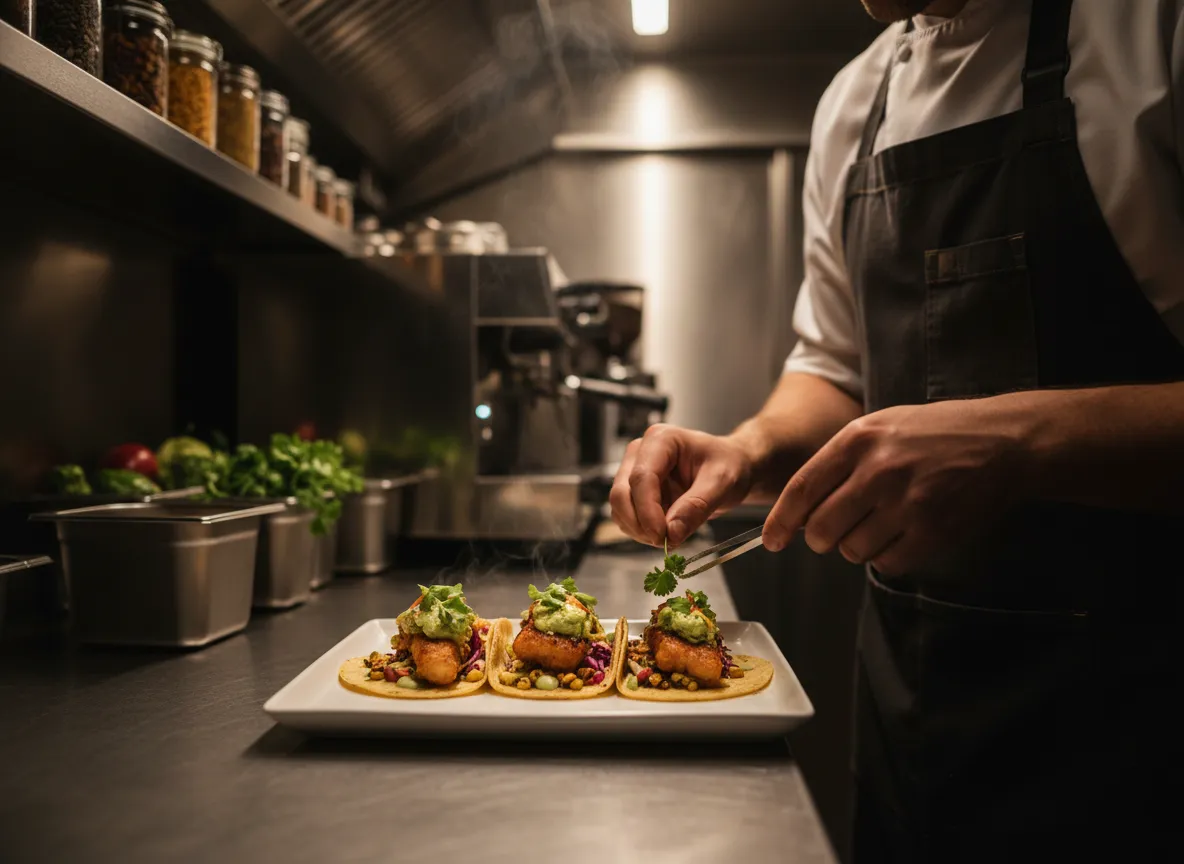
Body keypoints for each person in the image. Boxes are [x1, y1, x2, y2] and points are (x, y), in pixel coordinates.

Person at [609, 0, 1183, 860]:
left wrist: (1019, 444)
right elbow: (835, 368)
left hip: (1144, 729)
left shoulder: (1153, 30)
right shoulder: (856, 102)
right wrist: (750, 451)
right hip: (914, 716)